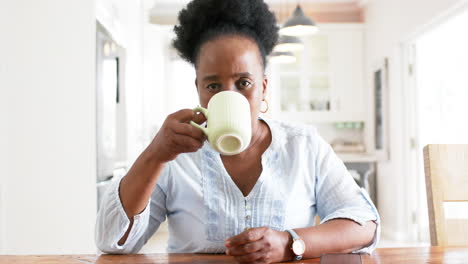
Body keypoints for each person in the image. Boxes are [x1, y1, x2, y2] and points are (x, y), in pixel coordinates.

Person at [95, 0, 380, 263]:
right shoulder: (173, 154)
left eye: (243, 83)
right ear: (198, 89)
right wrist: (154, 155)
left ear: (264, 87)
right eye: (213, 86)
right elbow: (112, 241)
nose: (229, 95)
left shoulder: (303, 145)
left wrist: (290, 242)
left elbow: (363, 224)